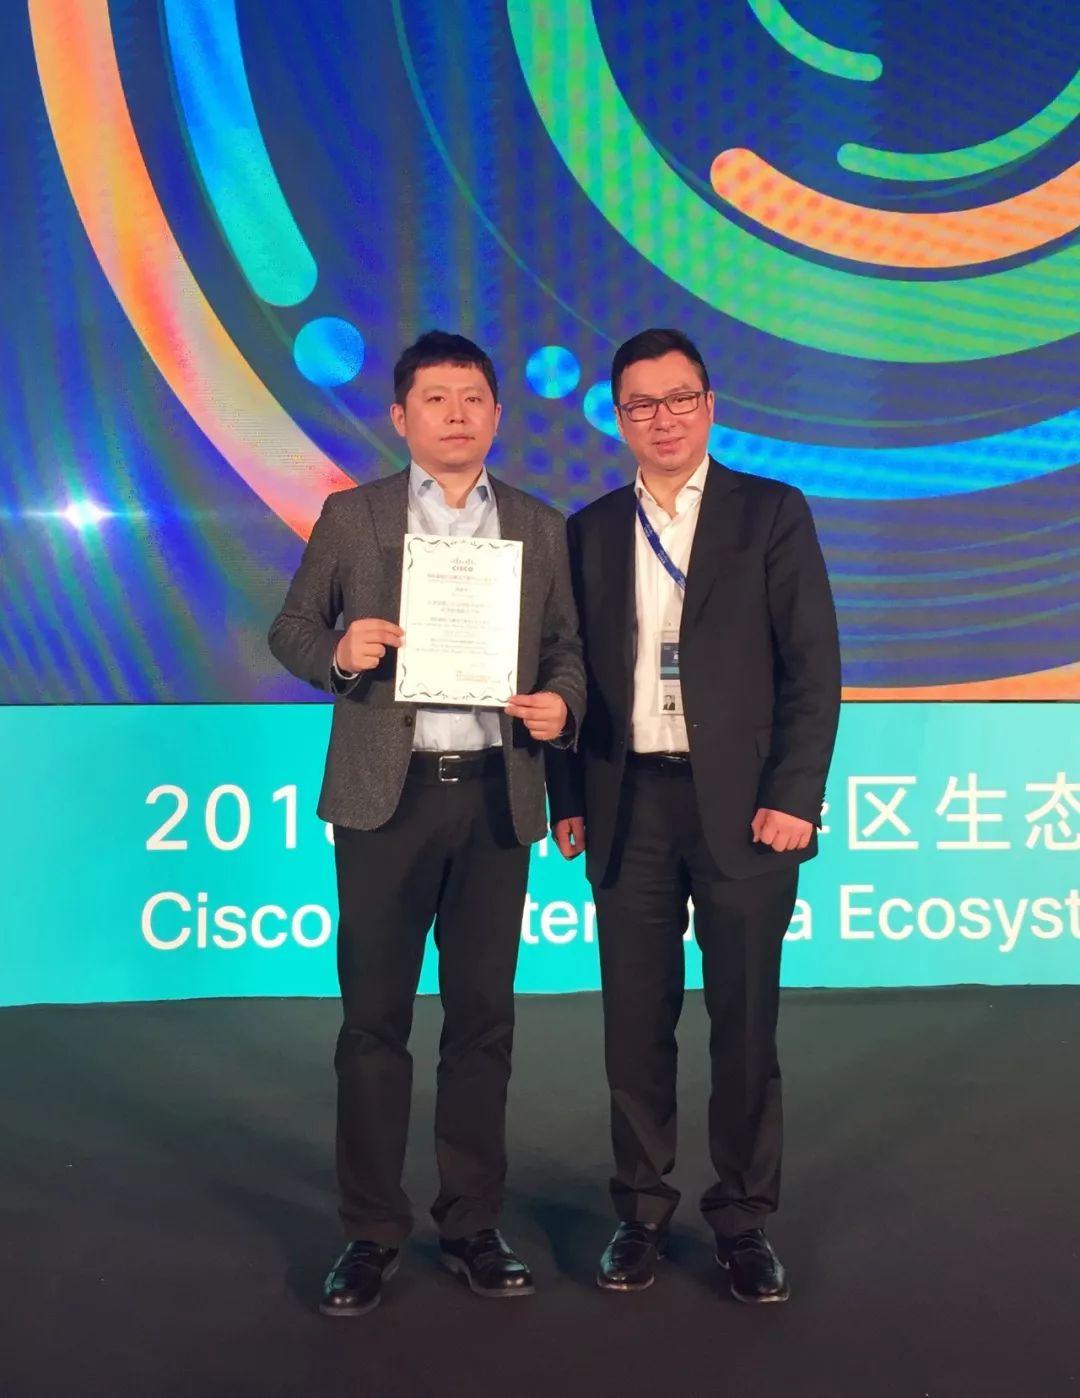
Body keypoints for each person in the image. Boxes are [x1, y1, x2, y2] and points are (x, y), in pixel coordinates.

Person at [269, 330, 585, 1316]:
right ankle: (369, 1232)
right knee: (374, 1021)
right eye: (436, 398)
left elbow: (568, 650)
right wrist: (342, 652)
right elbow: (291, 630)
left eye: (473, 397)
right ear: (400, 416)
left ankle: (473, 1223)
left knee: (484, 1022)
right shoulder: (354, 516)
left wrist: (562, 703)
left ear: (497, 414)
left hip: (495, 793)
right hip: (386, 797)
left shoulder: (538, 524)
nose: (457, 413)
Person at [547, 328, 840, 1303]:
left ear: (710, 405)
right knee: (634, 1022)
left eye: (680, 399)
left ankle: (744, 1219)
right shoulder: (589, 530)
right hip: (625, 801)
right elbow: (566, 671)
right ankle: (640, 1211)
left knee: (744, 1022)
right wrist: (566, 796)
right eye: (642, 404)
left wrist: (794, 796)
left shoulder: (771, 513)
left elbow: (814, 667)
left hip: (748, 809)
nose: (663, 419)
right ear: (618, 419)